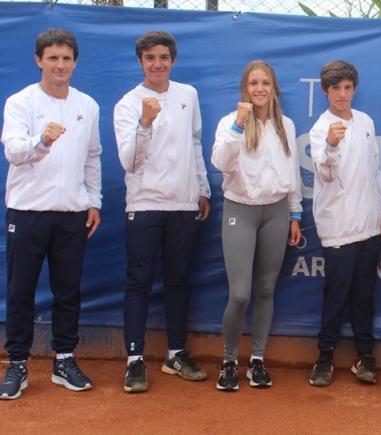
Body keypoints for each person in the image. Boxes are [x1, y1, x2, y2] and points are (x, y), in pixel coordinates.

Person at [0, 28, 102, 400]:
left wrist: (94, 201)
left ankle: (64, 358)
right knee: (21, 290)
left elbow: (93, 156)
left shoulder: (87, 106)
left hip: (72, 214)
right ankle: (18, 365)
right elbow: (13, 150)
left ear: (74, 62)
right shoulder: (19, 102)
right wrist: (41, 141)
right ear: (38, 60)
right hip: (27, 211)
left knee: (68, 291)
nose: (60, 65)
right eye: (53, 58)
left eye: (66, 58)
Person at [113, 31, 211, 393]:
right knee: (138, 282)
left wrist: (201, 188)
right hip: (144, 204)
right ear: (141, 62)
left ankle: (175, 354)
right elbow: (130, 162)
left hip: (183, 205)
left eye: (164, 58)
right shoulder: (128, 104)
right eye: (150, 58)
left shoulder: (188, 95)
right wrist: (144, 124)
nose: (158, 64)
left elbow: (196, 143)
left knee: (177, 282)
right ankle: (135, 360)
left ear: (172, 61)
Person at [211, 60, 302, 391]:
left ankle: (257, 361)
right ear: (245, 89)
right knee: (240, 294)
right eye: (253, 83)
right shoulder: (230, 122)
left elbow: (291, 174)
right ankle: (229, 361)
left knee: (266, 290)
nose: (260, 88)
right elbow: (220, 163)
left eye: (265, 83)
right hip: (240, 210)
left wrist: (295, 214)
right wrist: (238, 125)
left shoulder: (285, 126)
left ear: (274, 88)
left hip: (276, 212)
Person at [307, 60, 381, 387]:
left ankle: (364, 355)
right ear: (326, 91)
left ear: (354, 89)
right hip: (338, 224)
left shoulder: (366, 121)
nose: (342, 94)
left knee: (365, 293)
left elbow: (374, 171)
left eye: (347, 88)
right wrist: (330, 144)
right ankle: (325, 355)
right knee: (337, 291)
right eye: (335, 89)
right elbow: (324, 174)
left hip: (369, 221)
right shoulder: (320, 128)